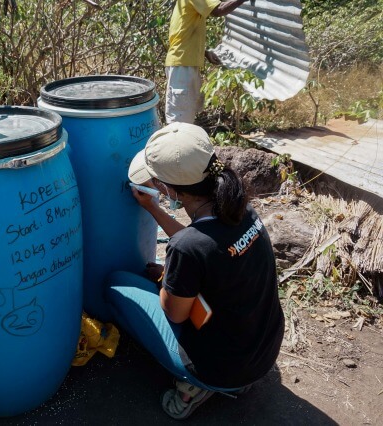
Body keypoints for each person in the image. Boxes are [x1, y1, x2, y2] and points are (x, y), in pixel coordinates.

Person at [106, 122, 284, 420]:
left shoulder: (187, 248)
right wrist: (153, 209)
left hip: (223, 369)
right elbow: (207, 248)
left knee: (115, 285)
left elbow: (175, 313)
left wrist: (168, 278)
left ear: (170, 189)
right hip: (263, 352)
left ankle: (195, 386)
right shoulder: (241, 210)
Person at [165, 0, 251, 124]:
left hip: (184, 64)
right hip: (182, 66)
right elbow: (218, 10)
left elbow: (184, 32)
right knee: (179, 122)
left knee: (186, 116)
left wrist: (204, 53)